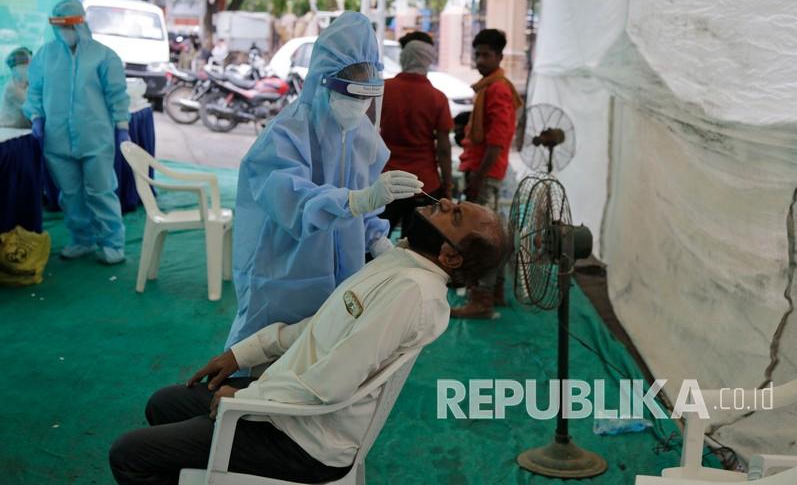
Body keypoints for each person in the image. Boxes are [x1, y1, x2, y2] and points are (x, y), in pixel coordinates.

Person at [109, 198, 510, 485]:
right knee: (163, 403)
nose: (442, 201)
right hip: (292, 407)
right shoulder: (404, 264)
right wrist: (242, 353)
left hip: (303, 440)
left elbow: (333, 382)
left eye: (453, 214)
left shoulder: (412, 293)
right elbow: (319, 329)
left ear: (451, 257)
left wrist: (248, 402)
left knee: (129, 455)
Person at [226, 11, 423, 358]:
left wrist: (377, 239)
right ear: (322, 80)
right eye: (351, 94)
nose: (359, 106)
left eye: (367, 96)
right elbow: (290, 200)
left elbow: (363, 207)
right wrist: (356, 201)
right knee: (264, 356)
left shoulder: (361, 136)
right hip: (285, 272)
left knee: (324, 355)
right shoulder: (286, 135)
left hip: (344, 275)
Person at [23, 0, 131, 265]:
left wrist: (122, 126)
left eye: (69, 26)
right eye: (60, 27)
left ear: (80, 24)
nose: (65, 33)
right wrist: (36, 116)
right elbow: (34, 90)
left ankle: (112, 242)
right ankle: (82, 239)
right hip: (57, 139)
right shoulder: (45, 55)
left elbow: (117, 94)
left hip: (96, 137)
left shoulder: (104, 56)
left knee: (101, 190)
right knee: (69, 193)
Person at [452, 29, 523, 319]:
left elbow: (496, 141)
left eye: (486, 55)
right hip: (484, 171)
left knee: (483, 238)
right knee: (493, 234)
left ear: (499, 56)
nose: (480, 60)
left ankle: (481, 300)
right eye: (477, 54)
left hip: (488, 174)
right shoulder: (488, 88)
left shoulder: (497, 90)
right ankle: (495, 293)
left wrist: (478, 178)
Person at [379, 34, 454, 235]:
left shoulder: (383, 90)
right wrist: (447, 184)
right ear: (428, 60)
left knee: (374, 242)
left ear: (404, 57)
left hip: (387, 181)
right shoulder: (438, 98)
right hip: (424, 184)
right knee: (416, 248)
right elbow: (444, 149)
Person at [0, 47, 33, 129]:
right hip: (9, 132)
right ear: (17, 68)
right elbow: (34, 107)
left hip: (22, 131)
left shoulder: (27, 84)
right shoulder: (12, 88)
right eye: (29, 65)